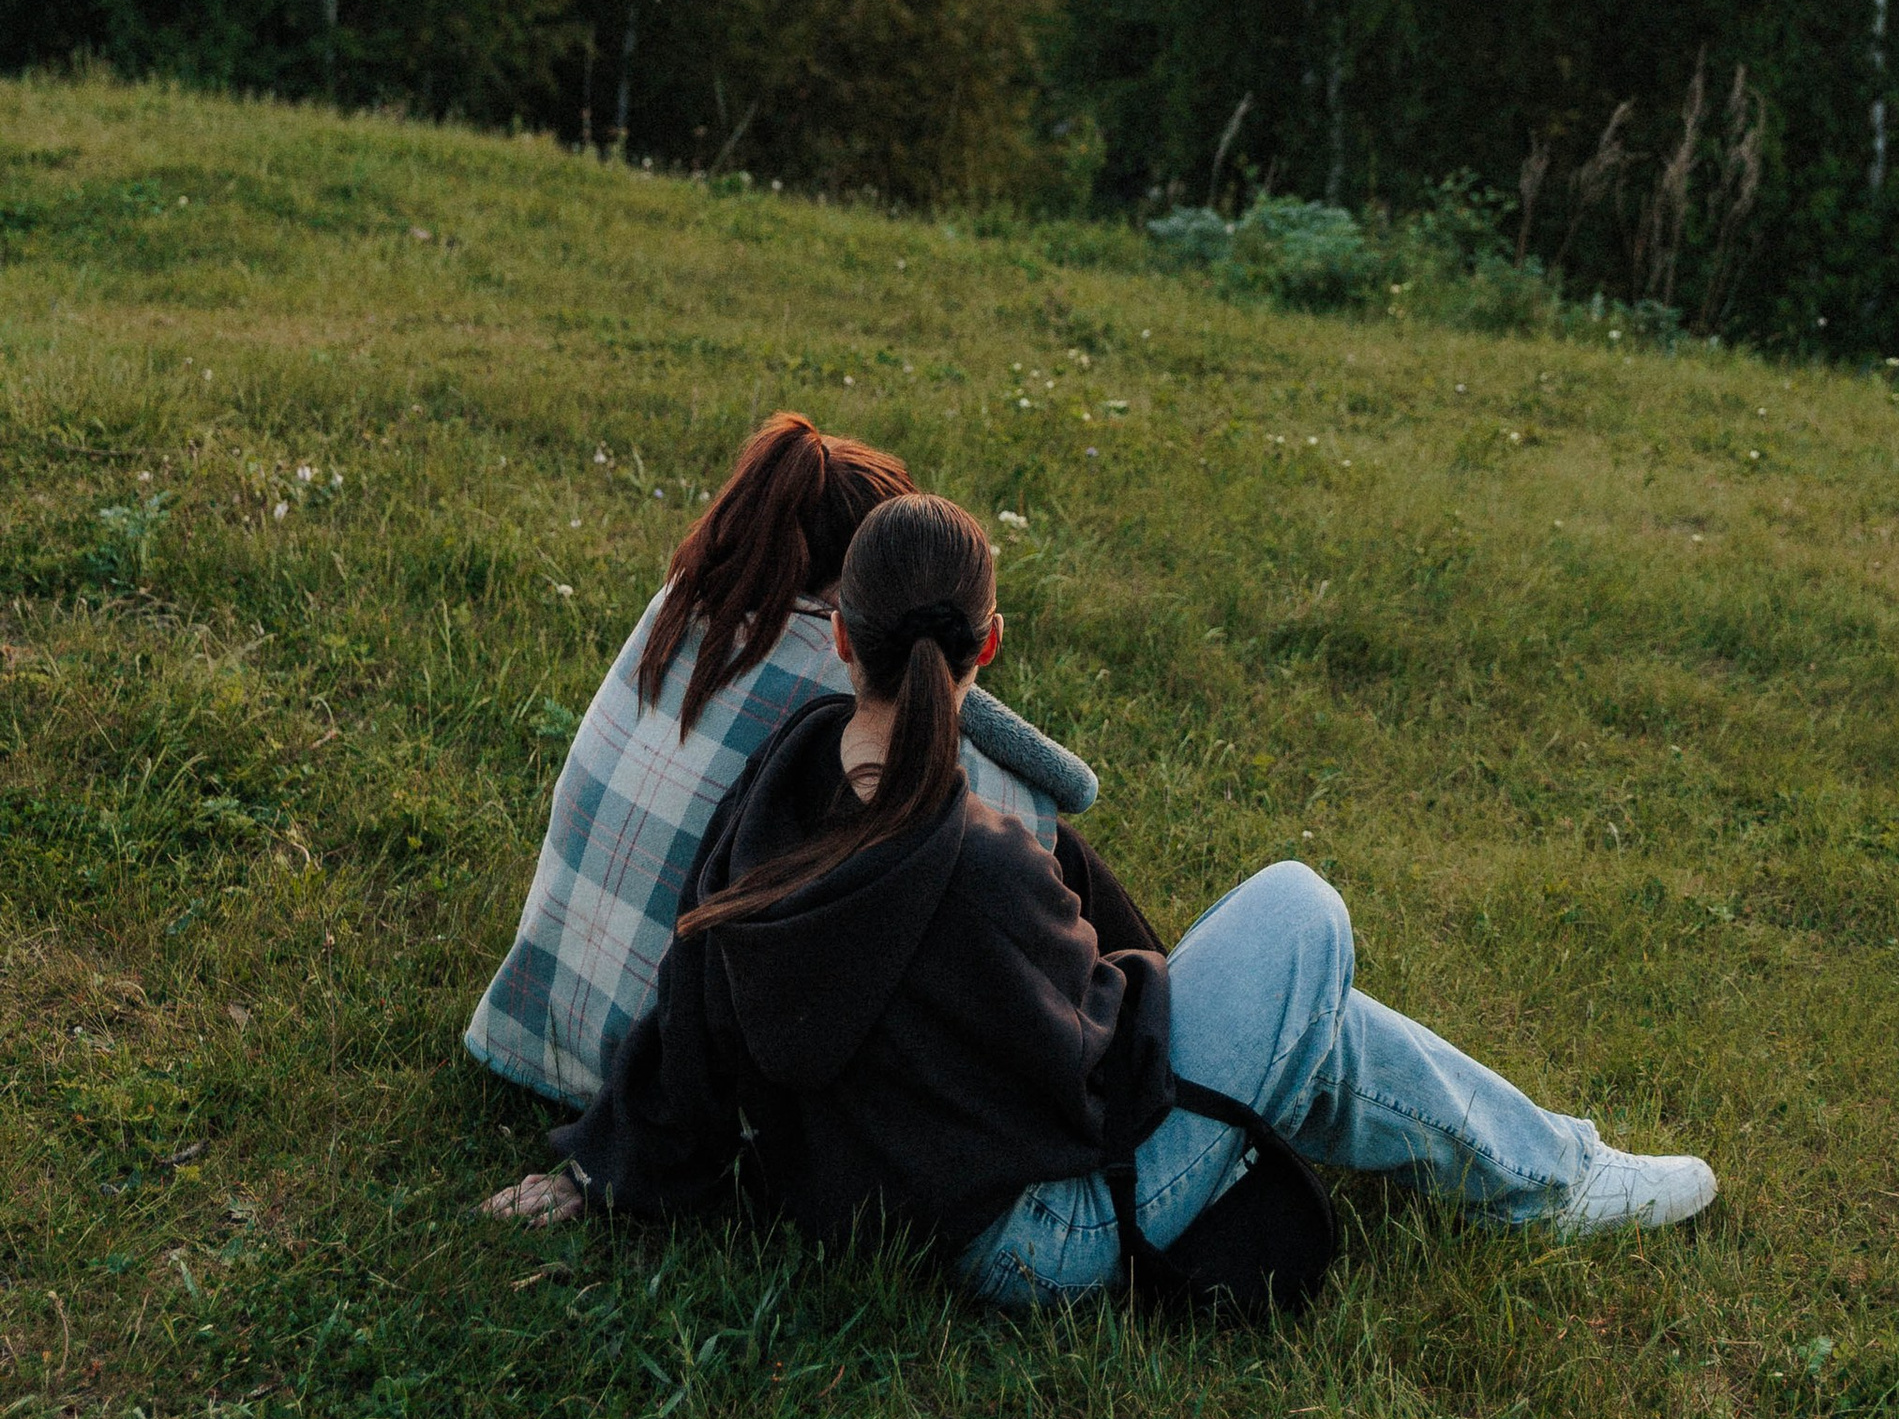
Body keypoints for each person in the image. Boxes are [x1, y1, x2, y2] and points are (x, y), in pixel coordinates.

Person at [486, 491, 1718, 1288]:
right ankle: (1558, 1178)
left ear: (841, 640)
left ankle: (1544, 1172)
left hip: (882, 1212)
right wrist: (1146, 981)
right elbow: (1099, 1083)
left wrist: (599, 1173)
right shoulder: (979, 861)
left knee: (1322, 1028)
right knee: (1297, 913)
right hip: (1046, 1240)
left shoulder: (779, 784)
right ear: (988, 646)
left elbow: (689, 1017)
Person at [467, 415, 1101, 1106]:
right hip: (671, 1080)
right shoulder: (836, 682)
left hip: (542, 1028)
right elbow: (1037, 821)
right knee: (1038, 856)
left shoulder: (681, 610)